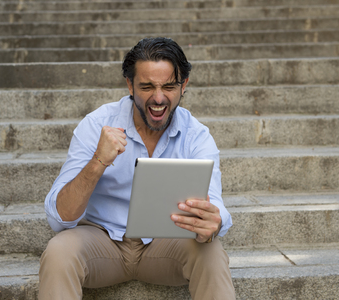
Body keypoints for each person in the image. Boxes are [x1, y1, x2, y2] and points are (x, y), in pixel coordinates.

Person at [39, 37, 236, 299]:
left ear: (183, 85)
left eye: (168, 86)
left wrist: (215, 220)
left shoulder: (197, 135)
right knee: (57, 252)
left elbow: (215, 204)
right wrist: (98, 161)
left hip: (165, 245)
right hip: (101, 242)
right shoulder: (96, 124)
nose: (158, 98)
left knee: (211, 251)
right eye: (147, 86)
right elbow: (58, 217)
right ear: (130, 85)